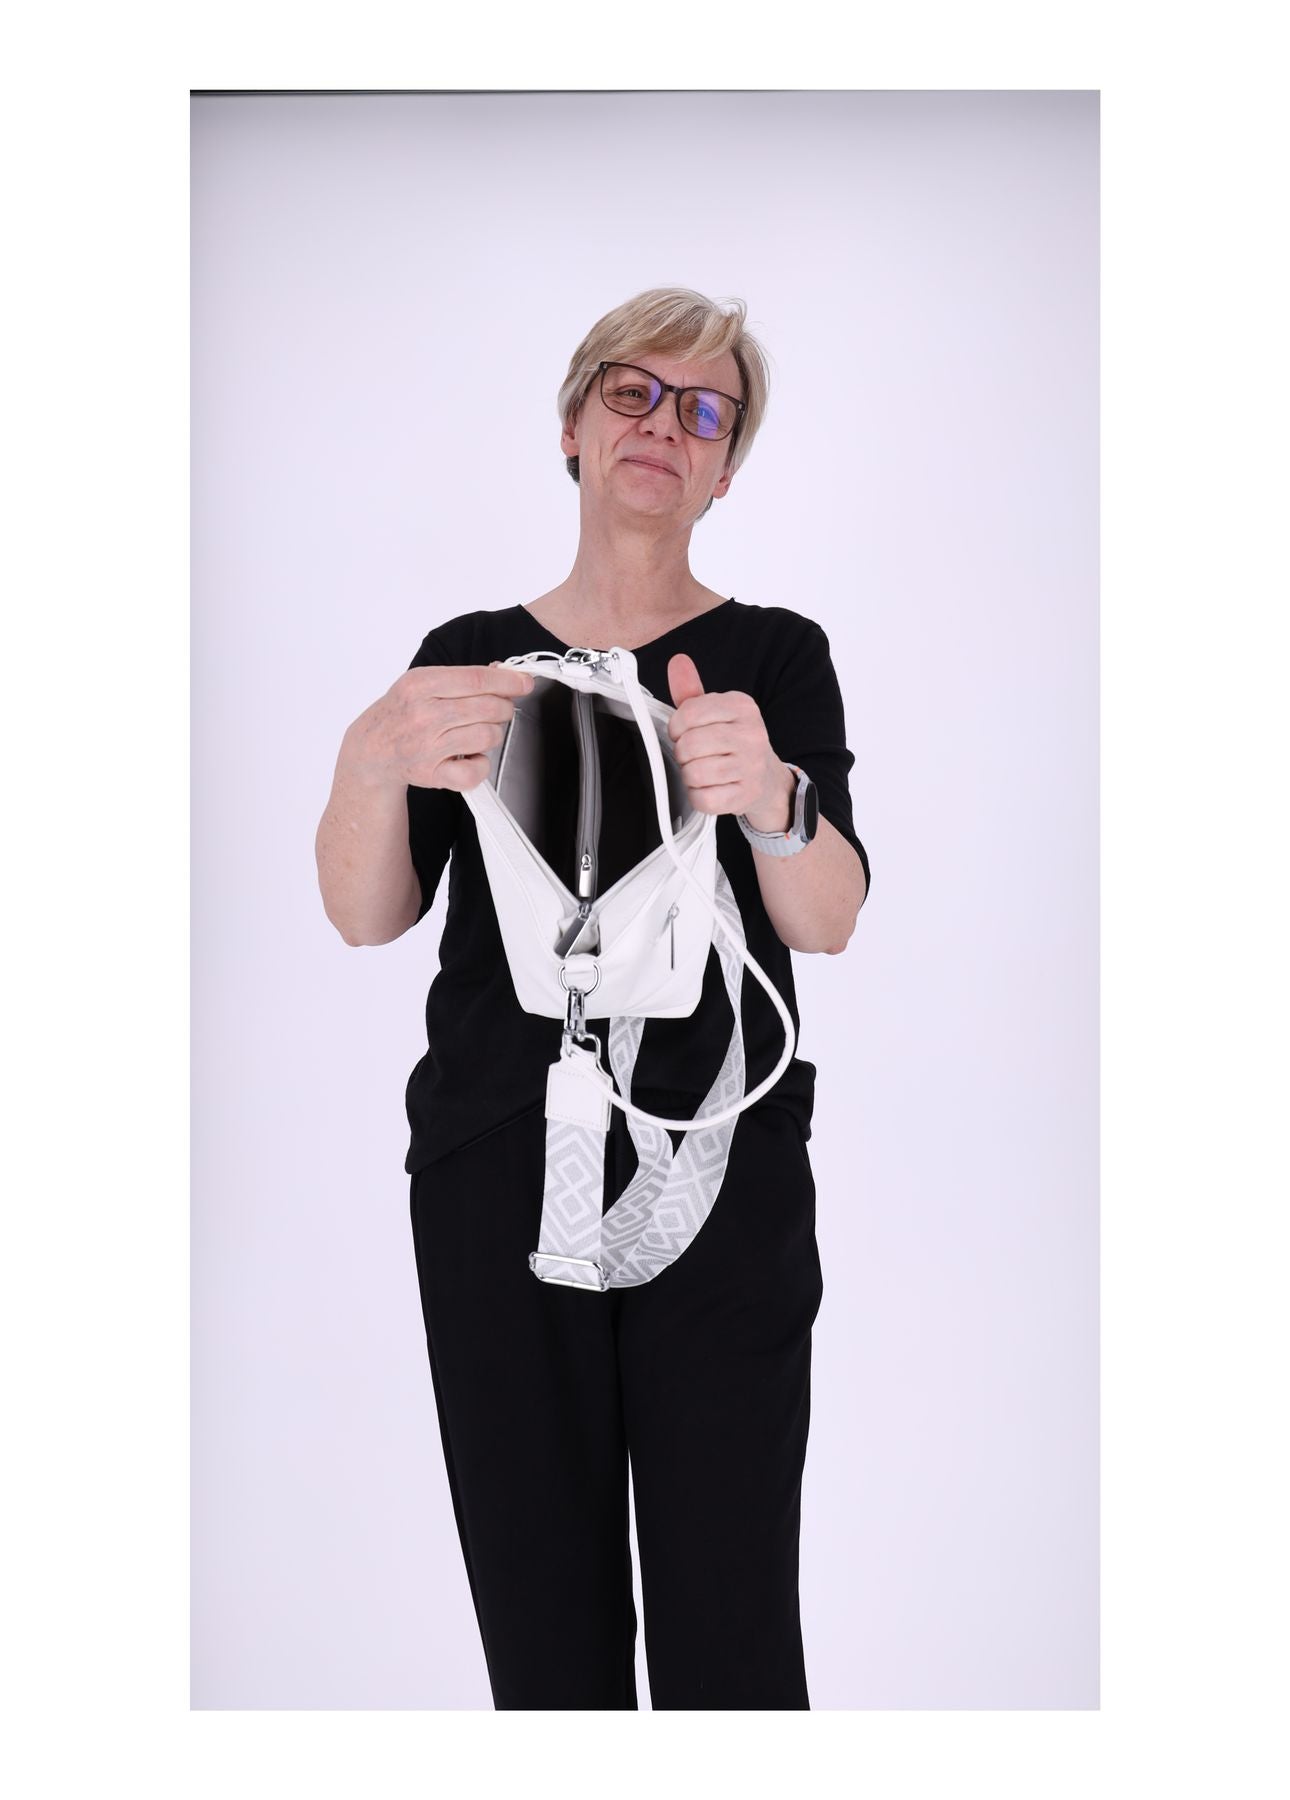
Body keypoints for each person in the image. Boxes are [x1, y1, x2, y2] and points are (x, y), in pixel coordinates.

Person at [314, 287, 870, 1709]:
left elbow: (827, 918)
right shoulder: (468, 656)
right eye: (633, 391)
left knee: (731, 1638)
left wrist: (773, 797)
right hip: (497, 1166)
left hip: (722, 1171)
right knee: (544, 1648)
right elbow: (367, 915)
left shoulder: (776, 658)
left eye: (704, 411)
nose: (663, 425)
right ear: (572, 423)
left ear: (726, 469)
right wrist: (370, 759)